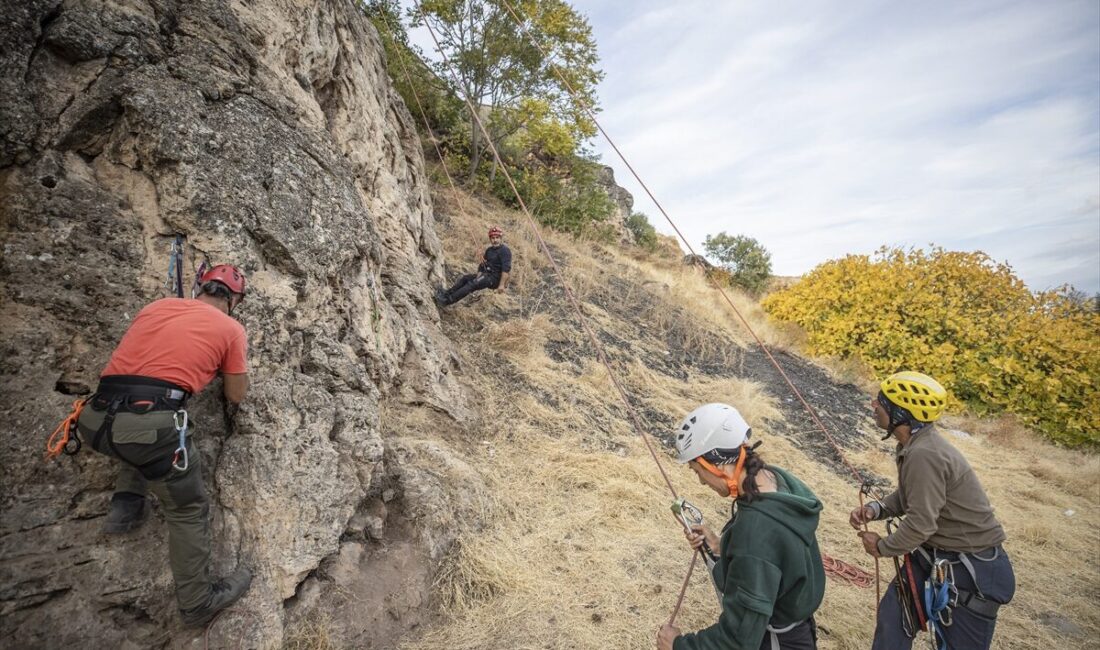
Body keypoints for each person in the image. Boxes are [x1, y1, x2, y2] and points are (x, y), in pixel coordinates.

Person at [76, 264, 253, 627]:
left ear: (200, 286)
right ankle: (198, 603)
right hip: (148, 429)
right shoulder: (231, 329)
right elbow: (236, 395)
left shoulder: (155, 307)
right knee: (187, 508)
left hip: (92, 420)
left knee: (142, 432)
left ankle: (126, 505)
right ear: (234, 300)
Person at [850, 371, 1015, 650]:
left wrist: (882, 546)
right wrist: (876, 510)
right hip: (937, 557)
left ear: (901, 413)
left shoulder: (924, 453)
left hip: (970, 570)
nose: (873, 405)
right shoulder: (916, 445)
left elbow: (921, 523)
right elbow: (914, 497)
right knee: (893, 621)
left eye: (881, 402)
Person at [658, 403, 825, 650]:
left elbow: (737, 639)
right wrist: (720, 547)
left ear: (718, 464)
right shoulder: (775, 481)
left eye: (698, 471)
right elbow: (769, 561)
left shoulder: (755, 531)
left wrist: (678, 645)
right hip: (796, 632)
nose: (702, 482)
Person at [435, 226, 511, 306]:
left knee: (471, 284)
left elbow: (506, 269)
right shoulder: (489, 250)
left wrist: (501, 285)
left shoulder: (505, 251)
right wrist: (479, 274)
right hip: (486, 275)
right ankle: (446, 294)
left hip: (495, 279)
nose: (495, 240)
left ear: (501, 238)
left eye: (497, 238)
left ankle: (446, 301)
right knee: (466, 278)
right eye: (493, 238)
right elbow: (483, 264)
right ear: (490, 239)